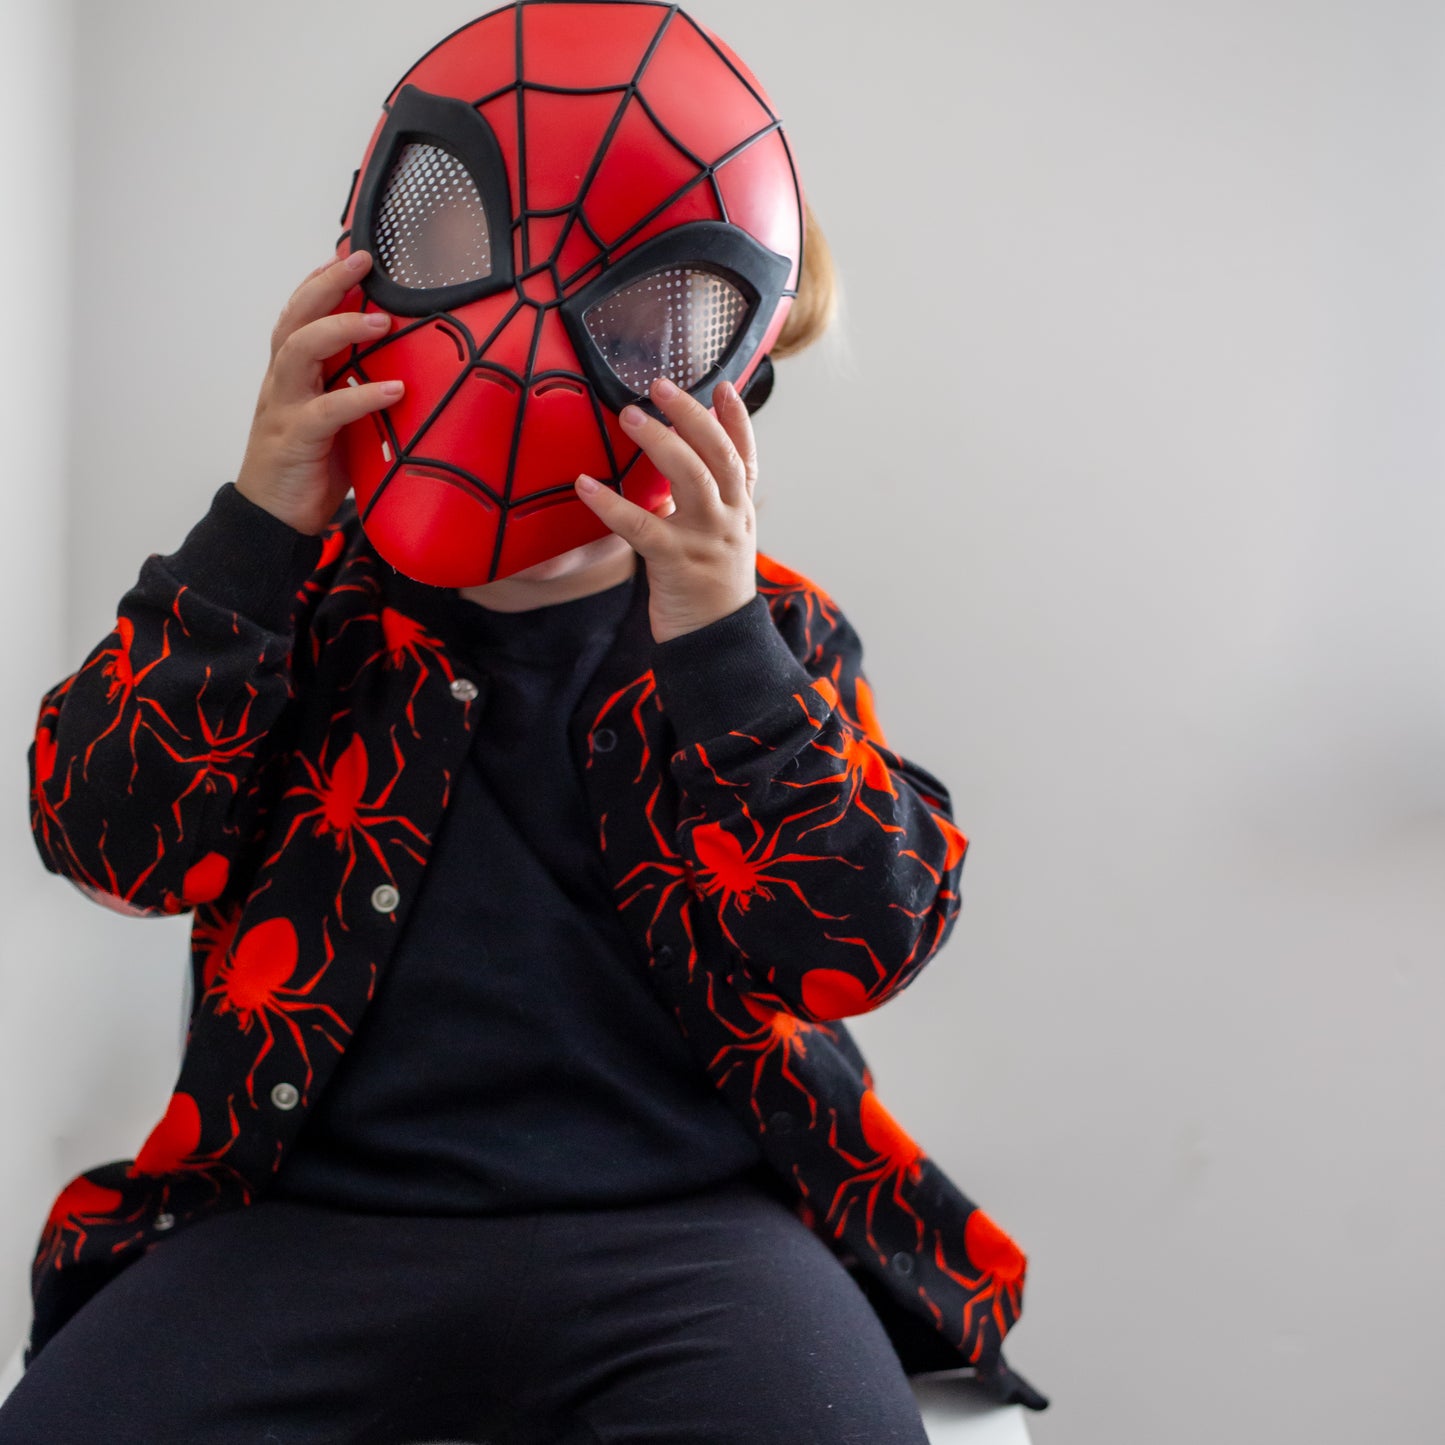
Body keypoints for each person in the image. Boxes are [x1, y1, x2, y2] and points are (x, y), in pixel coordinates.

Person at [2, 6, 1044, 1441]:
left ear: (734, 393)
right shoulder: (297, 608)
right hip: (306, 1217)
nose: (530, 374)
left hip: (691, 1233)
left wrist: (725, 651)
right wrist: (253, 535)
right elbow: (104, 841)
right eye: (477, 297)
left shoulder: (774, 638)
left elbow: (862, 942)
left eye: (637, 333)